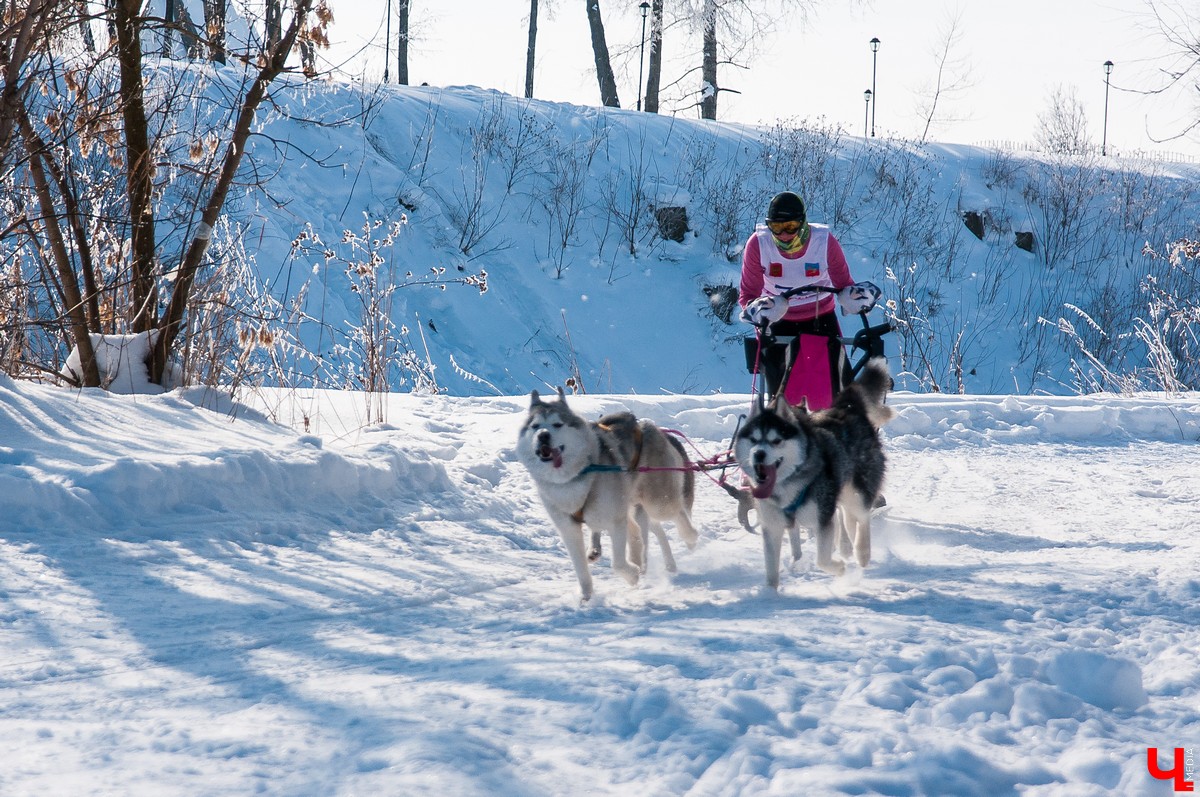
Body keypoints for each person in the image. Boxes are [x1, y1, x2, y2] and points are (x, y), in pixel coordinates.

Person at [738, 191, 878, 407]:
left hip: (820, 318)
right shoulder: (758, 244)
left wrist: (853, 298)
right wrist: (759, 310)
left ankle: (835, 428)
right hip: (778, 320)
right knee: (784, 398)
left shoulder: (824, 242)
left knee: (835, 392)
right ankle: (788, 431)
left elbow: (844, 284)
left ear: (803, 223)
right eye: (776, 227)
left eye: (791, 226)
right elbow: (748, 295)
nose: (784, 234)